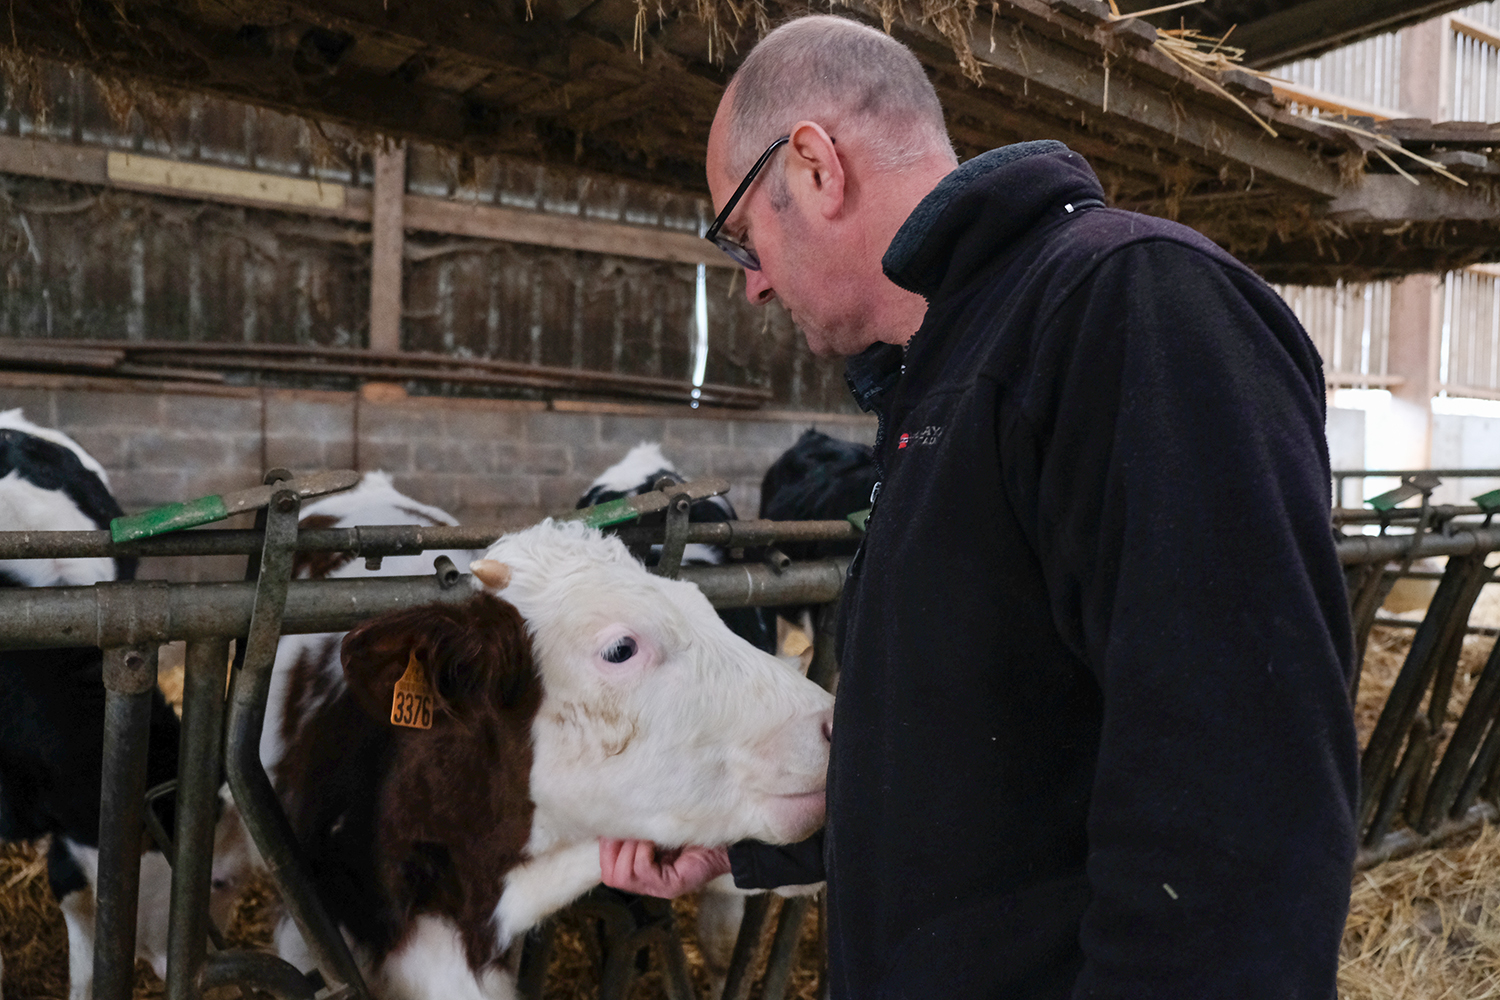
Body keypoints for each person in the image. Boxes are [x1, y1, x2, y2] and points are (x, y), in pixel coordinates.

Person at [600, 14, 1359, 999]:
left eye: (743, 236)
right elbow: (995, 744)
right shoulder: (947, 376)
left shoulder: (1130, 307)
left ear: (816, 167)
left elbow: (1239, 805)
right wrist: (740, 825)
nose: (748, 286)